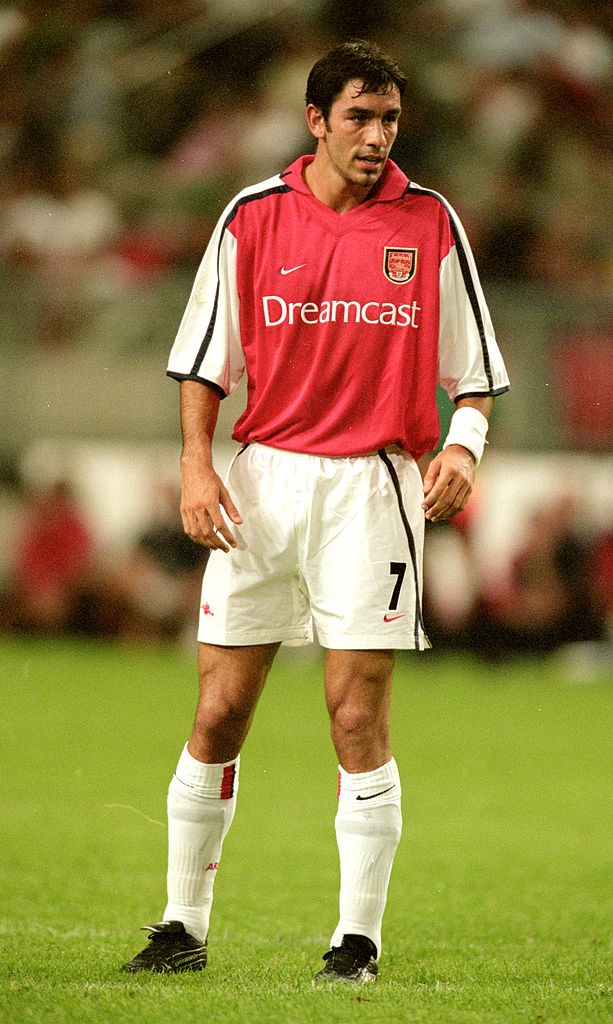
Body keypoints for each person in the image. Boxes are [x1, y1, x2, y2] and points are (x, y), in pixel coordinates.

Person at [122, 39, 509, 984]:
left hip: (372, 488)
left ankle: (356, 942)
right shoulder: (252, 216)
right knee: (219, 710)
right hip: (261, 483)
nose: (377, 137)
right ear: (315, 121)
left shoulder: (429, 222)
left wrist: (463, 446)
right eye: (359, 118)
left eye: (389, 119)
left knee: (355, 714)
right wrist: (196, 467)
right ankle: (180, 926)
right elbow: (204, 362)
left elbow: (474, 374)